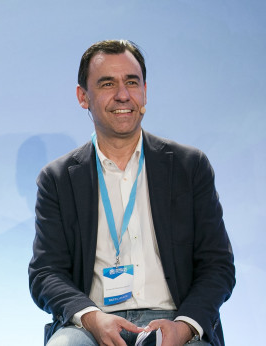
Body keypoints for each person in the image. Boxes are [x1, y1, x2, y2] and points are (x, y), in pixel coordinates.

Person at [28, 40, 235, 346]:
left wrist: (184, 326)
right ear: (83, 97)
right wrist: (92, 318)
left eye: (132, 82)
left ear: (144, 92)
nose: (123, 95)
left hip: (174, 322)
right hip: (92, 326)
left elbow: (218, 266)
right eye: (107, 83)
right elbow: (46, 273)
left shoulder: (189, 166)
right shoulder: (58, 179)